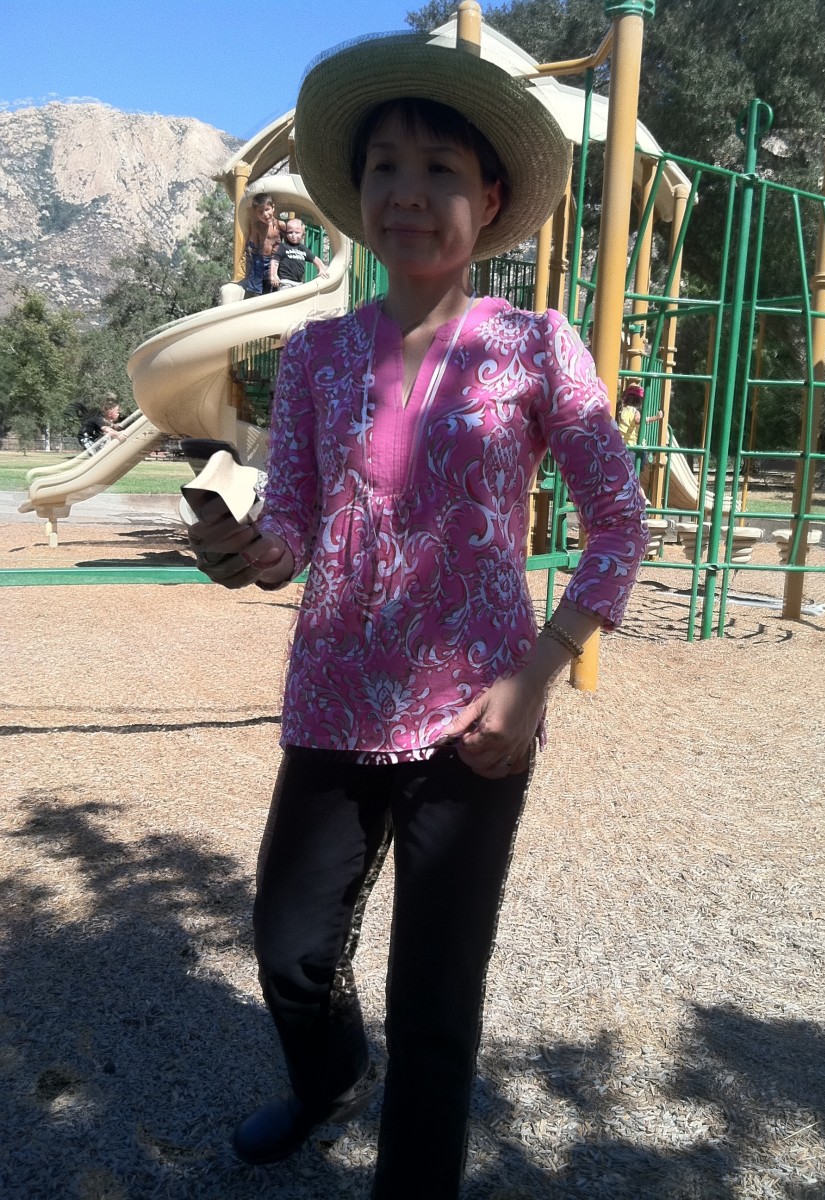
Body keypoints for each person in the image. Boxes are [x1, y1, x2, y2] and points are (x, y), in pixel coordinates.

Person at [185, 31, 648, 1200]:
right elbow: (292, 530)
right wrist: (245, 552)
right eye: (385, 166)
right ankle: (328, 1076)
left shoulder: (535, 348)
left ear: (486, 201)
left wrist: (534, 678)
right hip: (332, 703)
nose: (407, 191)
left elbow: (618, 525)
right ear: (359, 195)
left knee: (436, 1006)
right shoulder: (315, 356)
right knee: (289, 952)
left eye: (439, 169)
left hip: (476, 718)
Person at [238, 193, 286, 296]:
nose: (265, 214)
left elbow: (288, 241)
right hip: (260, 259)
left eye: (267, 209)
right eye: (260, 212)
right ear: (255, 213)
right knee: (256, 287)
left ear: (273, 208)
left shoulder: (280, 225)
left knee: (272, 286)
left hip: (274, 260)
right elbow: (253, 245)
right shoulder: (257, 227)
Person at [268, 219, 329, 289]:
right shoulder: (283, 247)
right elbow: (275, 261)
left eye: (297, 233)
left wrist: (321, 268)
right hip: (285, 281)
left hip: (299, 283)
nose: (293, 235)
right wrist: (274, 276)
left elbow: (315, 259)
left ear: (303, 235)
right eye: (290, 232)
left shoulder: (303, 249)